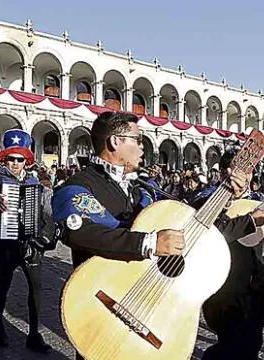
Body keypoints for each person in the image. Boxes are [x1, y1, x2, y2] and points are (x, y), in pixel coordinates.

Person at [53, 112, 210, 360]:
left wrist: (226, 196)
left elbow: (178, 219)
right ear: (115, 142)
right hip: (102, 304)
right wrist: (148, 242)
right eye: (137, 140)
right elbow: (82, 233)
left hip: (145, 300)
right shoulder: (79, 185)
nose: (142, 147)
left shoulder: (140, 188)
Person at [192, 149, 264, 360]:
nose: (245, 177)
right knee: (231, 345)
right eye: (239, 171)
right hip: (224, 288)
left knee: (253, 343)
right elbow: (207, 236)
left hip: (254, 285)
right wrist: (245, 218)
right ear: (223, 173)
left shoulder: (257, 199)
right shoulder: (205, 201)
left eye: (249, 171)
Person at [0, 129, 53, 353]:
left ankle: (34, 334)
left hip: (31, 245)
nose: (16, 163)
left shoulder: (35, 181)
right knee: (3, 286)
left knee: (35, 289)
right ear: (5, 159)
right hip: (6, 243)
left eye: (20, 159)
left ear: (27, 160)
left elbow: (47, 212)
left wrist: (46, 236)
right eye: (11, 158)